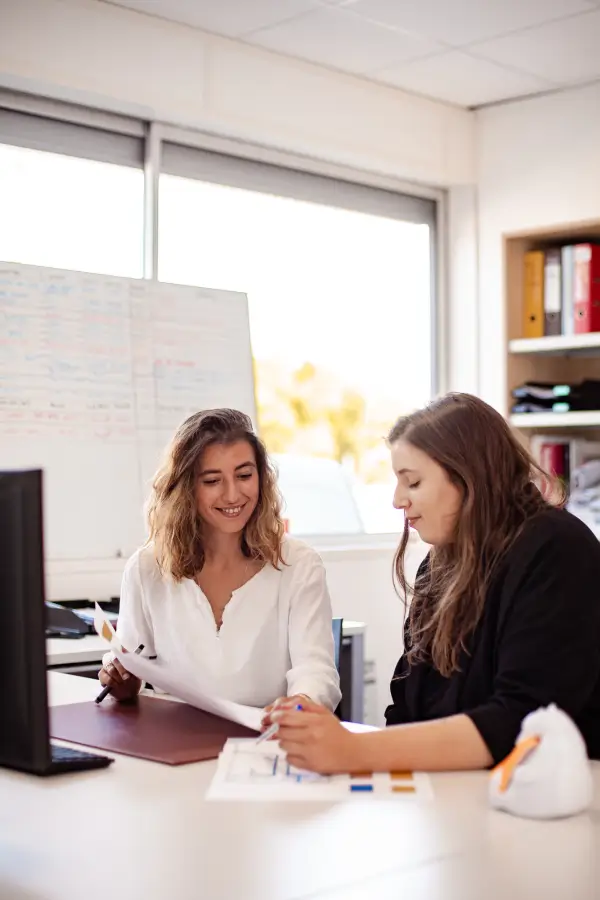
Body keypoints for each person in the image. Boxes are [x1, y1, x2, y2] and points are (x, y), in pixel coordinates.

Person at [270, 393, 600, 773]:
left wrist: (355, 751)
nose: (397, 500)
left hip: (546, 796)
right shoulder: (441, 562)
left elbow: (521, 722)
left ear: (467, 475)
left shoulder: (557, 549)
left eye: (412, 482)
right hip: (453, 793)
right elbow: (406, 705)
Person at [98, 408, 341, 712]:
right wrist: (121, 679)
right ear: (187, 488)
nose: (232, 495)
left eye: (244, 476)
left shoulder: (299, 564)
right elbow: (131, 661)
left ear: (261, 478)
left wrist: (299, 707)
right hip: (175, 741)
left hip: (263, 740)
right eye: (212, 481)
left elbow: (317, 674)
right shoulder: (147, 567)